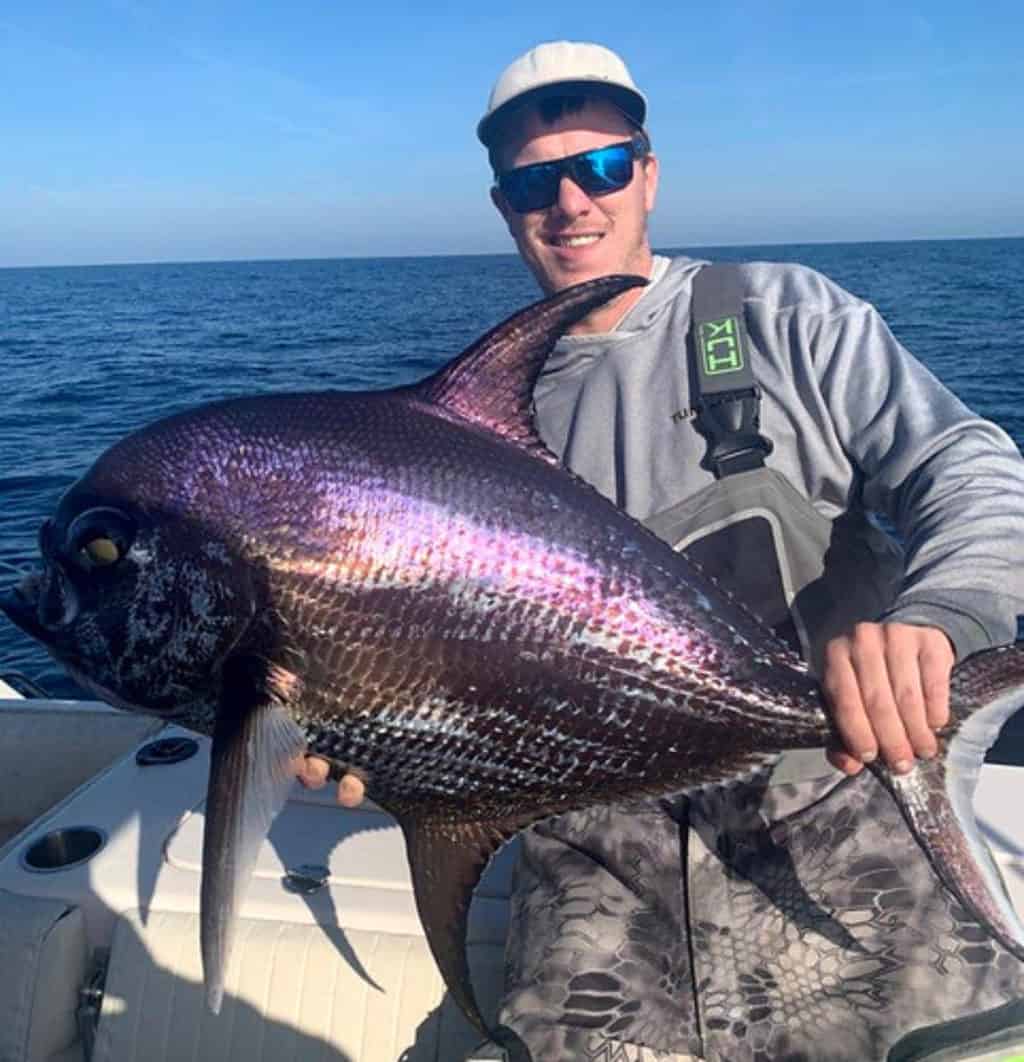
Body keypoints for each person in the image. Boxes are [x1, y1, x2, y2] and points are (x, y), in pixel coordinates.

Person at [303, 41, 1024, 1062]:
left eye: (599, 167)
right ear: (504, 206)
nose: (571, 202)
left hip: (840, 802)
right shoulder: (471, 427)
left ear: (647, 174)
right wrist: (390, 742)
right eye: (534, 183)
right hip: (594, 857)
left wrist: (938, 622)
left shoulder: (782, 315)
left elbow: (967, 465)